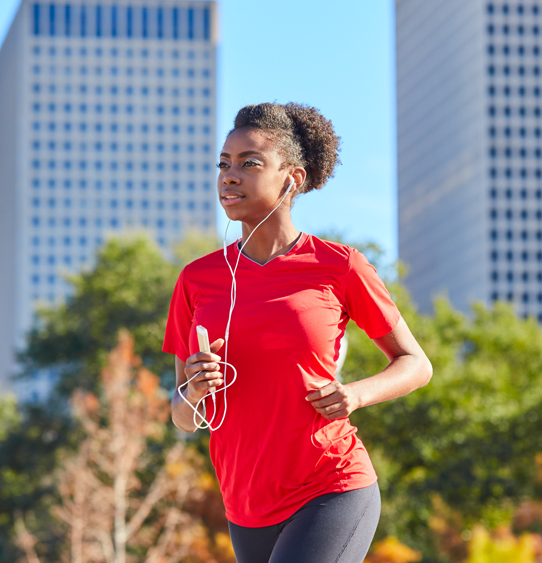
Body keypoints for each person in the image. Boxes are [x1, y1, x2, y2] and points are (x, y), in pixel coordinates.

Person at [163, 102, 432, 563]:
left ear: (293, 178)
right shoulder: (196, 280)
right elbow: (183, 416)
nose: (229, 176)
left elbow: (416, 364)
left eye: (250, 164)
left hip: (330, 484)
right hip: (245, 505)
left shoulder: (339, 266)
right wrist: (193, 391)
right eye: (223, 164)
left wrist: (356, 395)